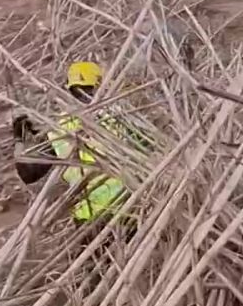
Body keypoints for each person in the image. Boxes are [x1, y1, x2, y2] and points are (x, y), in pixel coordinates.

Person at [13, 61, 153, 224]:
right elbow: (149, 152)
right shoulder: (120, 117)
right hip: (127, 211)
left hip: (86, 218)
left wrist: (19, 138)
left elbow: (28, 175)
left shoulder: (58, 129)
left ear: (68, 89)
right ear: (100, 84)